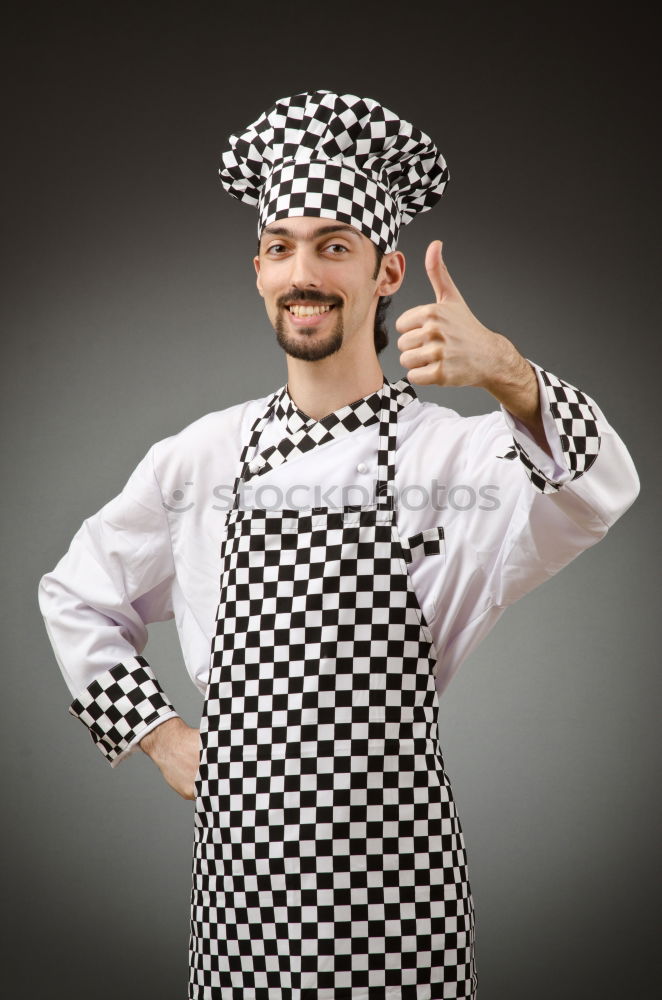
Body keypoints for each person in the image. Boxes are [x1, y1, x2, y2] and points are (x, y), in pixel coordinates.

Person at [38, 90, 640, 1000]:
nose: (302, 271)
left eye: (334, 245)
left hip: (400, 885)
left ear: (387, 270)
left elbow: (605, 489)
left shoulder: (460, 449)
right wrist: (160, 739)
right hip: (241, 883)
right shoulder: (199, 454)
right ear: (257, 272)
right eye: (280, 247)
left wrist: (509, 374)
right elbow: (77, 593)